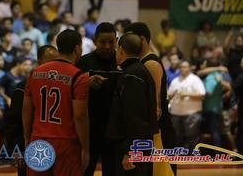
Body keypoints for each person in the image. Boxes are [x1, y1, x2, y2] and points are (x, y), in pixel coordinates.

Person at [23, 29, 90, 176]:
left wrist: (27, 137)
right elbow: (80, 116)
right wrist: (85, 147)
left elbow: (26, 109)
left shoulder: (35, 72)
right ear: (78, 48)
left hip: (38, 139)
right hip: (66, 143)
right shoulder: (79, 76)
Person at [124, 22, 177, 175]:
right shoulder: (142, 62)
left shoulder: (150, 63)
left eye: (131, 39)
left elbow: (156, 108)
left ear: (141, 39)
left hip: (160, 132)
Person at [106, 34, 158, 176]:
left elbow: (134, 117)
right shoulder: (140, 71)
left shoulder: (132, 75)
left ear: (121, 50)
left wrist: (129, 152)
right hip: (141, 144)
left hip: (133, 148)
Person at [5, 45, 58, 176]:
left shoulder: (59, 85)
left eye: (57, 62)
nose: (55, 66)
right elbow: (13, 122)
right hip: (29, 147)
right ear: (40, 62)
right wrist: (17, 149)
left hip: (55, 146)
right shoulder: (23, 87)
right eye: (50, 62)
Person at [76, 22, 119, 176]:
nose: (107, 46)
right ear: (94, 40)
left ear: (117, 40)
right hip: (89, 129)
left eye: (111, 42)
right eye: (103, 42)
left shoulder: (122, 62)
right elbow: (71, 90)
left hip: (115, 129)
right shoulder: (83, 62)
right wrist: (85, 83)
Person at [168, 61, 205, 150]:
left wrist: (186, 94)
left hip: (191, 113)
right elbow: (169, 95)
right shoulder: (175, 81)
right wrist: (170, 94)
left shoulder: (195, 79)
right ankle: (181, 158)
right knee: (177, 137)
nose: (182, 69)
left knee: (192, 137)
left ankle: (193, 157)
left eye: (185, 67)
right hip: (176, 113)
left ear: (189, 68)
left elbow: (202, 94)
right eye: (181, 67)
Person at [202, 58, 224, 147]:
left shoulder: (210, 77)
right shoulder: (219, 75)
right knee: (216, 131)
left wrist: (200, 93)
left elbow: (208, 92)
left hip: (210, 108)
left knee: (214, 131)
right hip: (217, 106)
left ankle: (217, 155)